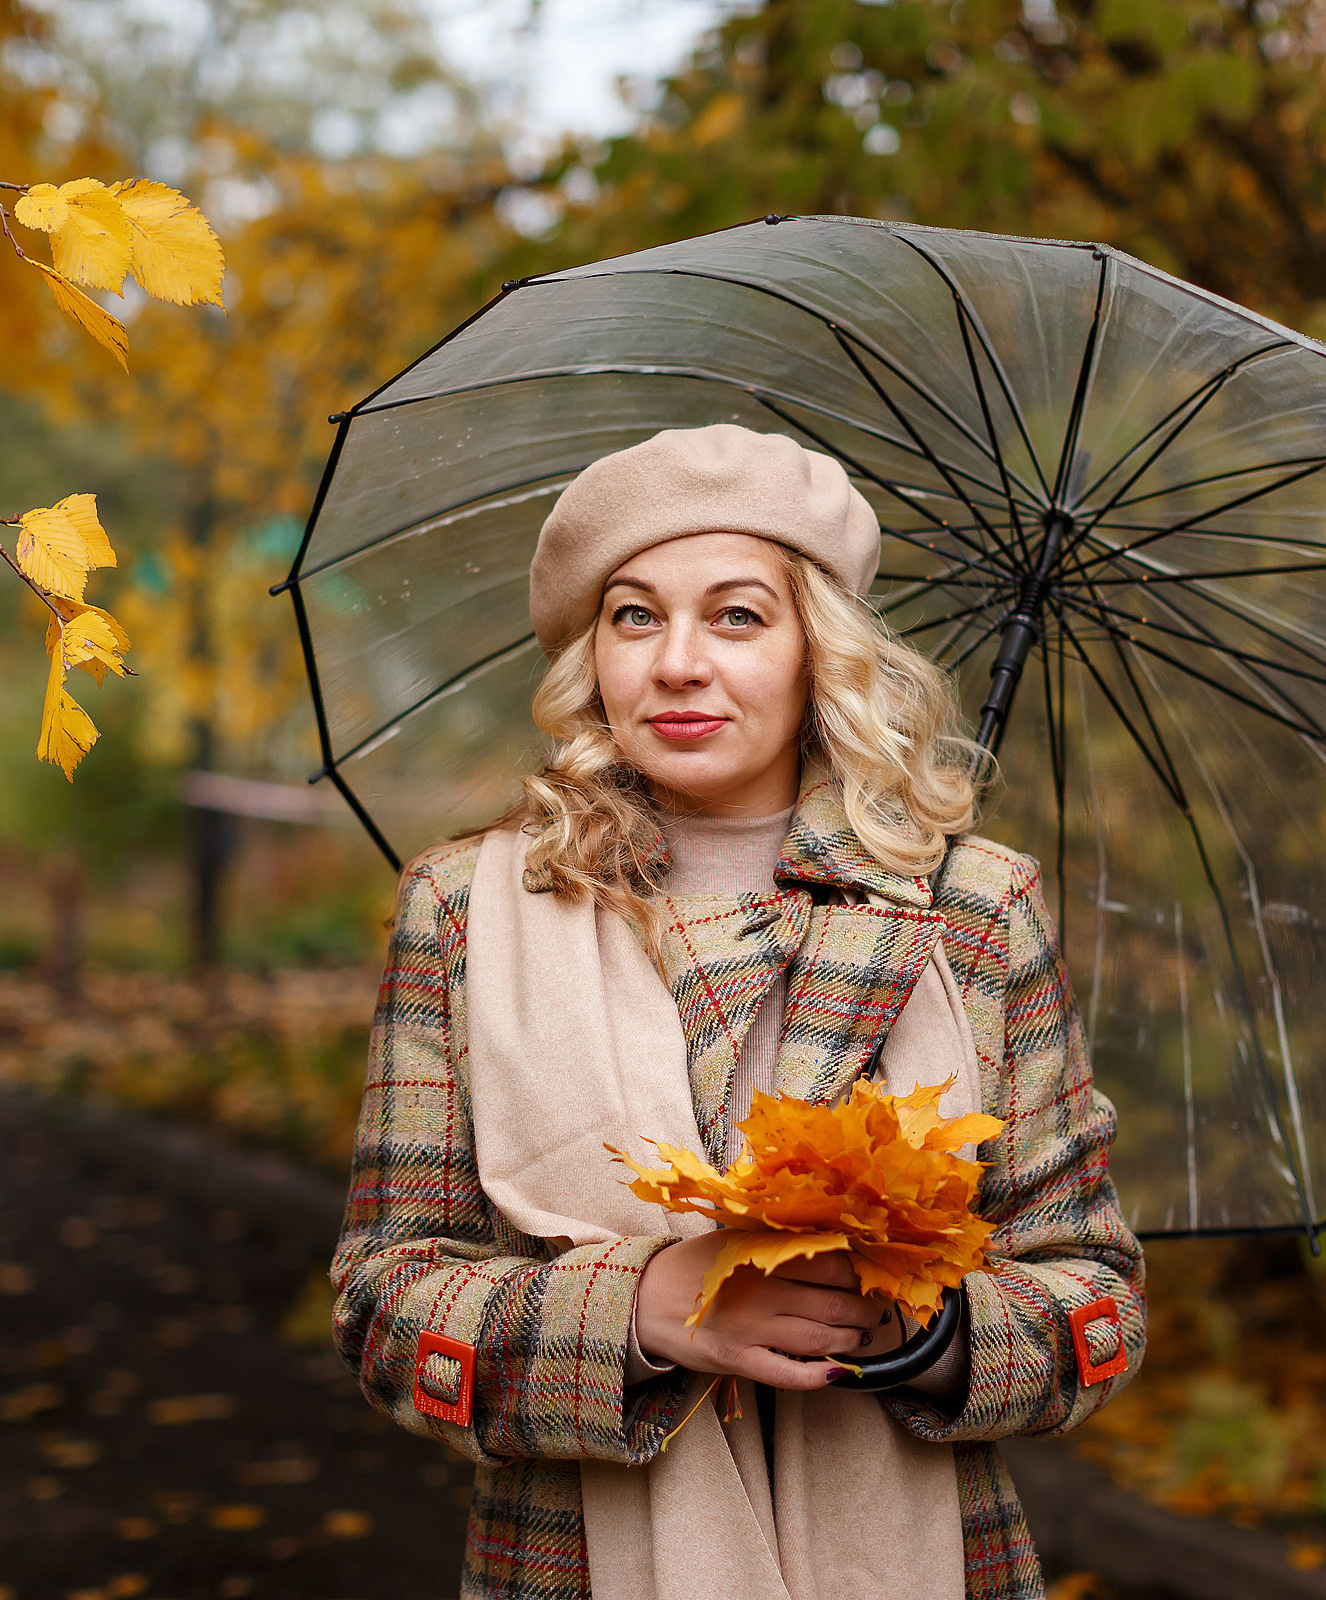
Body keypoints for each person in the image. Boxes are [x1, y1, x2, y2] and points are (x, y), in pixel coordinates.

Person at [330, 424, 1146, 1600]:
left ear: (821, 647)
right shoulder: (469, 909)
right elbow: (382, 1304)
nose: (677, 664)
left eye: (738, 616)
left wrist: (920, 1332)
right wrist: (649, 1309)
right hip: (572, 1562)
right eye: (635, 615)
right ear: (592, 654)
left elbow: (1096, 1294)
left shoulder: (970, 909)